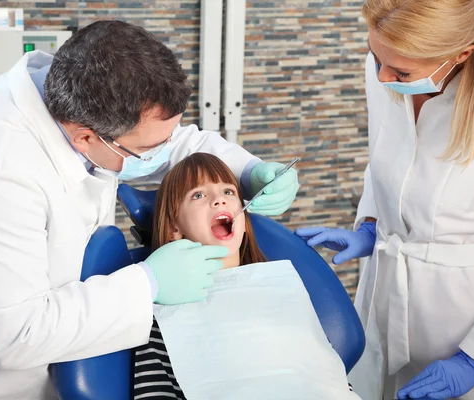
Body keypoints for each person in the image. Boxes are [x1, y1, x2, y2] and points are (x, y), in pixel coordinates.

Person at [0, 20, 299, 399]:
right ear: (85, 138)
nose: (162, 153)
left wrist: (247, 169)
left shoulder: (84, 101)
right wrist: (149, 285)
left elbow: (167, 141)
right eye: (147, 151)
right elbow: (13, 336)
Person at [296, 0, 474, 399]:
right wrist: (372, 226)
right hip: (384, 300)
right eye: (374, 57)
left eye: (400, 71)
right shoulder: (386, 70)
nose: (382, 76)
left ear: (461, 54)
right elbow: (386, 160)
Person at [132, 152, 356, 399]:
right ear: (175, 227)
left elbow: (328, 378)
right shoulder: (161, 315)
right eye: (198, 195)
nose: (219, 200)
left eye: (228, 192)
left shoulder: (281, 291)